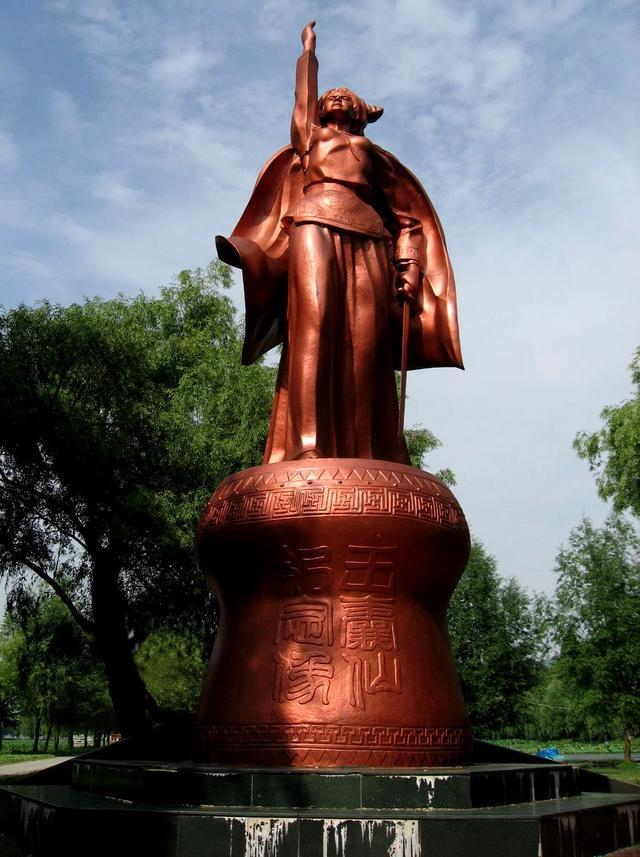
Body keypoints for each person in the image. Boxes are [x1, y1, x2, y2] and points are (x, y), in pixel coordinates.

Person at [216, 21, 462, 464]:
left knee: (366, 342)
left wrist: (408, 264)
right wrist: (308, 54)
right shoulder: (311, 138)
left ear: (361, 112)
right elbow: (302, 101)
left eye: (346, 96)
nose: (337, 97)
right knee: (314, 324)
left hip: (370, 242)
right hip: (314, 226)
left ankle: (369, 450)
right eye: (331, 95)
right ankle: (307, 444)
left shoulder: (372, 155)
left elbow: (408, 219)